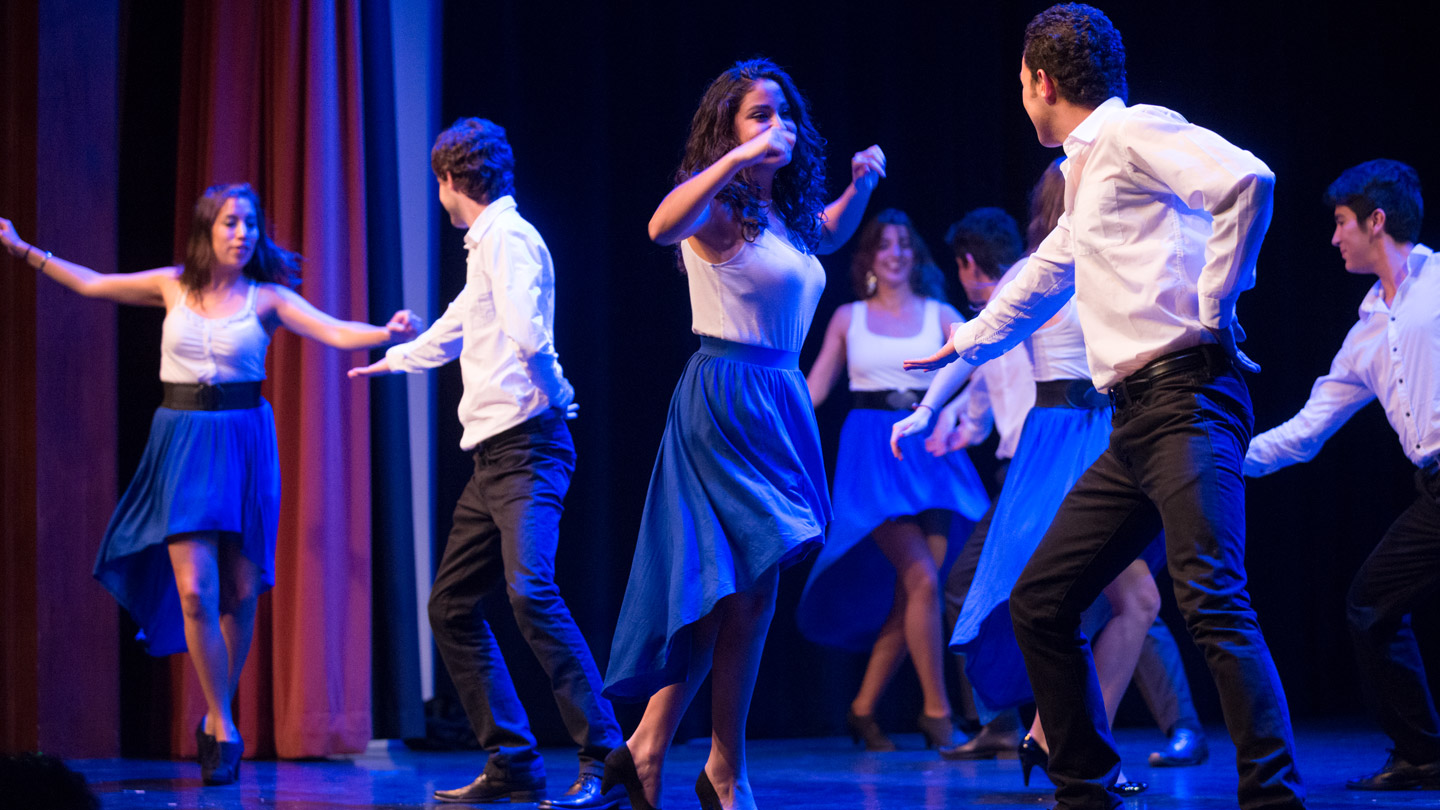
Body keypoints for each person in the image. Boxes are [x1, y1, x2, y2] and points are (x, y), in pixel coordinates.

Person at [904, 5, 1304, 809]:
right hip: (1133, 421)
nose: (1021, 95)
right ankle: (1084, 783)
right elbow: (1048, 269)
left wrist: (1219, 303)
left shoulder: (1131, 132)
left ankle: (1273, 796)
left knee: (1211, 597)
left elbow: (1248, 180)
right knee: (1042, 599)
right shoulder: (1084, 172)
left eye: (1021, 82)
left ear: (1043, 83)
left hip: (1189, 398)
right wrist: (971, 340)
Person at [0, 185, 420, 786]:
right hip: (183, 441)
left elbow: (332, 331)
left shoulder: (267, 298)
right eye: (230, 223)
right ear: (207, 231)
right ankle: (222, 722)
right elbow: (94, 283)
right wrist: (23, 251)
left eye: (249, 224)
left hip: (245, 442)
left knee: (240, 589)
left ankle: (217, 718)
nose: (242, 233)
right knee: (195, 590)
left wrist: (387, 331)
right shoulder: (173, 284)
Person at [600, 58, 883, 810]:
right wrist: (733, 158)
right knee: (732, 588)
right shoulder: (718, 208)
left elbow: (827, 235)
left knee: (742, 596)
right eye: (760, 114)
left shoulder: (783, 216)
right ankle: (722, 768)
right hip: (725, 399)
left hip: (779, 401)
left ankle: (659, 753)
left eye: (783, 114)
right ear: (727, 128)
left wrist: (861, 184)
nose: (777, 127)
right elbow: (660, 227)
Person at [348, 118, 624, 809]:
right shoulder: (490, 243)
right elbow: (457, 326)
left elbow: (531, 335)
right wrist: (395, 360)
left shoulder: (507, 239)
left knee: (531, 591)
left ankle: (607, 757)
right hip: (494, 457)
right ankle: (512, 761)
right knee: (451, 606)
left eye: (438, 184)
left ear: (447, 181)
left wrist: (558, 394)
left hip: (529, 445)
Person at [894, 200, 1156, 798]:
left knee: (1132, 601)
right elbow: (975, 344)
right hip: (1058, 438)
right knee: (1112, 598)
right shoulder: (1033, 271)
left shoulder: (1112, 265)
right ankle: (1075, 747)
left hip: (1104, 433)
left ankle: (1061, 740)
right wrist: (930, 409)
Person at [1245, 159, 1440, 791]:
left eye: (1341, 223)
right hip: (1433, 489)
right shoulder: (1363, 335)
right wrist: (1224, 457)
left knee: (1370, 605)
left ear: (1376, 221)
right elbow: (1306, 431)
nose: (1334, 239)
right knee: (1370, 604)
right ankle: (1422, 753)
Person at [795, 208, 989, 752]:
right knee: (923, 579)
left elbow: (986, 366)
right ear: (871, 257)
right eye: (886, 244)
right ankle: (937, 713)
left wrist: (958, 414)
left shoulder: (940, 311)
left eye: (905, 243)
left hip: (929, 450)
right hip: (874, 453)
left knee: (915, 594)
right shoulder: (849, 317)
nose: (896, 252)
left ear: (916, 255)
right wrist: (771, 424)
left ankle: (861, 710)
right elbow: (814, 391)